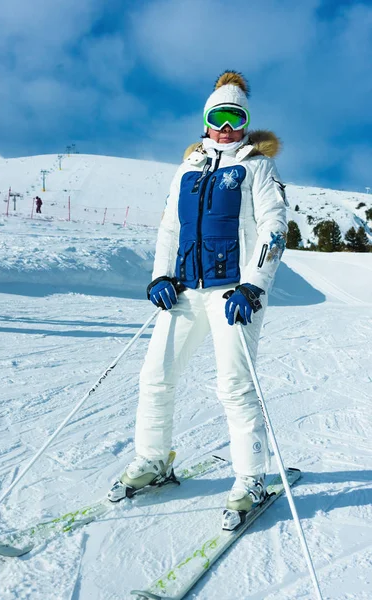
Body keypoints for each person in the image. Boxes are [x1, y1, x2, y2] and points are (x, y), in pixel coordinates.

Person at [108, 71, 288, 530]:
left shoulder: (257, 166)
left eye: (236, 116)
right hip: (186, 290)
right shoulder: (187, 167)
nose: (226, 126)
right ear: (205, 121)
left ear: (246, 122)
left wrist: (254, 285)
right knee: (156, 375)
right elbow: (170, 228)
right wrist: (160, 277)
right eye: (218, 116)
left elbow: (273, 228)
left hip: (233, 294)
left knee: (233, 385)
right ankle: (153, 460)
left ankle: (250, 478)